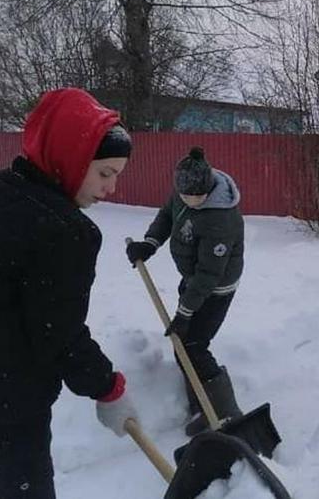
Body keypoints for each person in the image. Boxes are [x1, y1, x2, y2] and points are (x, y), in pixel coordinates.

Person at [0, 88, 139, 499]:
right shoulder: (65, 232)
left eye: (117, 175)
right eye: (104, 173)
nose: (111, 188)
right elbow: (59, 334)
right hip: (7, 410)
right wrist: (109, 388)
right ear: (71, 155)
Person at [126, 146, 244, 436]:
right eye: (185, 196)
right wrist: (150, 243)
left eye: (197, 197)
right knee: (184, 345)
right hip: (193, 279)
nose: (190, 202)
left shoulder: (220, 219)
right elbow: (168, 215)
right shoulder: (184, 193)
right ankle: (202, 406)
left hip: (214, 288)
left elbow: (208, 274)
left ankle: (226, 414)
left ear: (207, 188)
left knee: (193, 346)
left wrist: (185, 313)